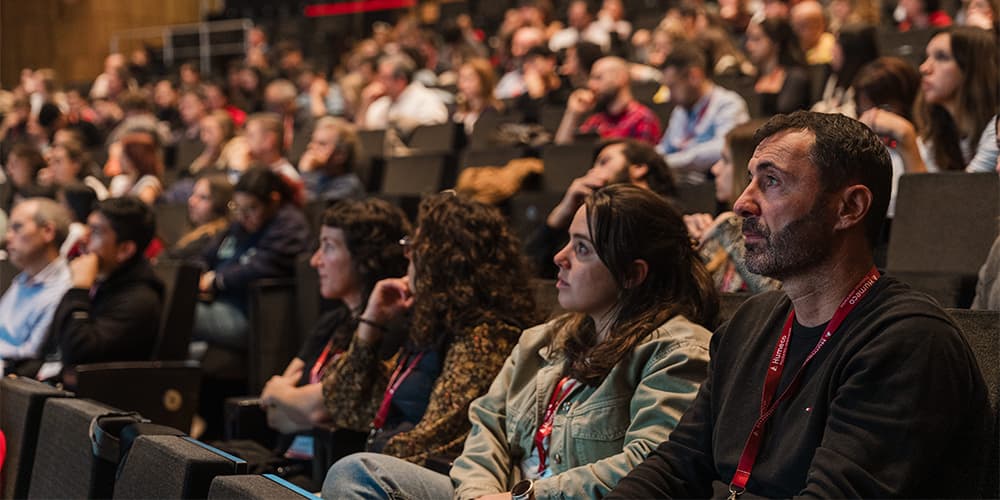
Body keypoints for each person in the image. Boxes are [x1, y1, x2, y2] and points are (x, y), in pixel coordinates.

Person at [606, 111, 991, 498]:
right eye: (749, 180)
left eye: (771, 182)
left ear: (849, 207)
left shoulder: (907, 341)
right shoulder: (749, 322)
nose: (741, 203)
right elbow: (677, 464)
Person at [324, 184, 718, 499]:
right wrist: (478, 495)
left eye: (582, 248)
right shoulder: (543, 340)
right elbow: (487, 429)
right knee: (359, 473)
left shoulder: (677, 352)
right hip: (498, 495)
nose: (559, 257)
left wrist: (525, 497)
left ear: (632, 274)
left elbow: (650, 464)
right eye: (568, 241)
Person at [318, 192, 539, 466]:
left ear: (444, 259)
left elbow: (437, 440)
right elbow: (343, 404)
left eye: (415, 245)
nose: (407, 253)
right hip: (386, 468)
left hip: (422, 476)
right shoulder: (433, 326)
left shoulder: (485, 338)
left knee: (347, 469)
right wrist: (371, 322)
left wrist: (370, 461)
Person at [258, 198, 410, 445]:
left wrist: (284, 394)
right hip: (289, 455)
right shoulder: (330, 323)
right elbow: (273, 412)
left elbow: (322, 406)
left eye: (328, 247)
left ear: (365, 259)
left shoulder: (390, 330)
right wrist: (299, 404)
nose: (315, 261)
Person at [192, 166, 309, 351]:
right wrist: (195, 275)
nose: (243, 216)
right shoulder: (240, 225)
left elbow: (262, 266)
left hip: (248, 314)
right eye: (237, 208)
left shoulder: (290, 226)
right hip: (216, 302)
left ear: (273, 201)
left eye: (252, 208)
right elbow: (206, 255)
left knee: (175, 310)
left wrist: (217, 280)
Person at [527, 138, 676, 278]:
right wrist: (559, 216)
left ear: (638, 168)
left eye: (604, 162)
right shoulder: (596, 218)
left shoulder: (670, 221)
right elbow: (534, 269)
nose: (591, 172)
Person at [859, 26, 998, 173]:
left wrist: (908, 141)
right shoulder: (939, 133)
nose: (924, 68)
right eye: (927, 57)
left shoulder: (996, 130)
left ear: (973, 67)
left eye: (941, 57)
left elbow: (968, 187)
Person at [48, 196, 164, 368]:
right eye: (87, 227)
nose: (83, 239)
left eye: (95, 232)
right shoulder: (102, 281)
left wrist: (79, 290)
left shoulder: (139, 300)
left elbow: (76, 355)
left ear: (124, 250)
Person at [684, 121, 781, 293]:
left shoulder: (778, 235)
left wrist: (727, 226)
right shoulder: (723, 228)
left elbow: (774, 294)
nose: (715, 169)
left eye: (726, 160)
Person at [657, 41, 750, 184]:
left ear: (694, 76)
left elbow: (723, 150)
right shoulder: (680, 110)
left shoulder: (728, 104)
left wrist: (666, 163)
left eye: (672, 86)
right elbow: (665, 148)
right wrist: (647, 159)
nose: (669, 96)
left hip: (711, 187)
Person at [0, 198, 72, 367]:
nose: (8, 237)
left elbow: (31, 354)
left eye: (17, 227)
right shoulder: (24, 278)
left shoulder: (64, 288)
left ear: (48, 231)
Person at [852, 57, 922, 219]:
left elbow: (922, 210)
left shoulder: (926, 146)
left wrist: (906, 137)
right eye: (863, 110)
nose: (873, 119)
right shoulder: (863, 146)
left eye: (885, 109)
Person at [555, 56, 662, 145]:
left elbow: (642, 160)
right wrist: (573, 113)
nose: (591, 85)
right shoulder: (597, 120)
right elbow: (562, 154)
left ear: (621, 78)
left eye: (598, 77)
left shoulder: (642, 119)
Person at [356, 54, 449, 133]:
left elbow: (435, 134)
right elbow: (364, 136)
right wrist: (365, 104)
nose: (379, 82)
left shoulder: (427, 100)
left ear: (400, 81)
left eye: (384, 78)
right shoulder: (380, 105)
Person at [745, 17, 812, 116]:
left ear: (776, 43)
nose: (748, 45)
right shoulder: (753, 77)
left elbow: (786, 112)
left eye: (756, 39)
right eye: (749, 39)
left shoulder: (796, 77)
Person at [810, 24, 879, 118]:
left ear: (852, 51)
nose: (832, 49)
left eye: (837, 43)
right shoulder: (834, 76)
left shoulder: (870, 83)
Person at [298, 117, 365, 204]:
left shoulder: (348, 186)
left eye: (321, 144)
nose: (311, 147)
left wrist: (306, 174)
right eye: (313, 141)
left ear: (341, 155)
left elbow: (314, 208)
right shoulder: (318, 177)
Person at [168, 173, 233, 261]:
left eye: (203, 197)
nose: (191, 201)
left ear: (220, 204)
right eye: (193, 194)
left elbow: (173, 257)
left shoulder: (212, 237)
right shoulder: (197, 232)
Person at [108, 130, 164, 206]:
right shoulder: (121, 181)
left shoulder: (149, 182)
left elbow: (143, 208)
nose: (120, 160)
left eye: (124, 156)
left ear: (135, 157)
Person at [453, 58, 504, 137]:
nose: (462, 84)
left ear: (484, 81)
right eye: (461, 78)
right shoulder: (456, 110)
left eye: (469, 79)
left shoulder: (494, 112)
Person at [790, 0, 836, 65]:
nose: (810, 30)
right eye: (802, 25)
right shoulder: (790, 45)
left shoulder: (830, 44)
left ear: (822, 25)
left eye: (815, 24)